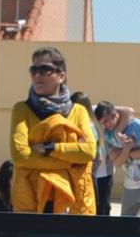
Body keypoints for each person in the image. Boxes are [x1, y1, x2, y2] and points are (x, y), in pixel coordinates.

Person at [10, 48, 98, 214]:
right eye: (33, 70)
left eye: (44, 70)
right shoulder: (21, 110)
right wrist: (70, 162)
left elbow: (88, 152)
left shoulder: (78, 111)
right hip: (32, 199)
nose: (37, 75)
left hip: (72, 201)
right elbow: (20, 155)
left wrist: (49, 148)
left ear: (61, 76)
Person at [99, 103, 140, 217]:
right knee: (127, 223)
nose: (105, 125)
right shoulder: (108, 134)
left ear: (115, 115)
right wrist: (127, 149)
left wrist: (122, 153)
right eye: (102, 123)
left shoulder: (137, 125)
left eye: (106, 121)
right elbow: (117, 163)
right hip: (130, 184)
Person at [85, 96, 115, 215]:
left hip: (104, 174)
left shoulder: (99, 113)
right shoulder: (87, 120)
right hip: (90, 173)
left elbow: (127, 110)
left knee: (103, 206)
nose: (105, 124)